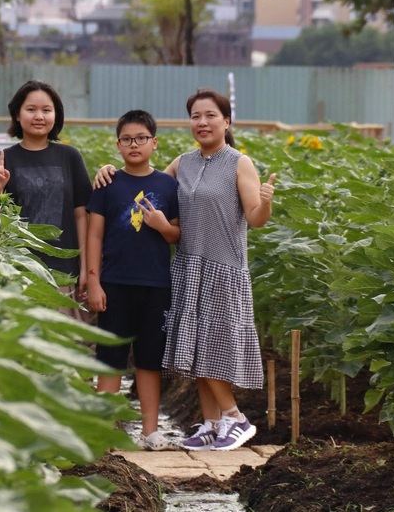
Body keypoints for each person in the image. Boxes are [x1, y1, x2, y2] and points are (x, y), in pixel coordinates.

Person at [95, 88, 276, 452]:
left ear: (226, 122)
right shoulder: (183, 163)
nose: (203, 122)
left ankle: (235, 418)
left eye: (211, 115)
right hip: (188, 266)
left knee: (211, 346)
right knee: (194, 348)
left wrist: (267, 204)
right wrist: (109, 169)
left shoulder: (239, 162)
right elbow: (147, 182)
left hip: (223, 266)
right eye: (196, 116)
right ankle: (211, 424)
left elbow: (255, 219)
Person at [85, 110, 180, 451]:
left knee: (149, 361)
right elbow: (94, 237)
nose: (134, 144)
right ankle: (102, 431)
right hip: (114, 284)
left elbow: (175, 234)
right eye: (127, 139)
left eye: (141, 138)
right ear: (118, 145)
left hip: (156, 285)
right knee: (110, 357)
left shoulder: (168, 186)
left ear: (155, 142)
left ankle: (151, 432)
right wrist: (94, 283)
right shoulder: (108, 184)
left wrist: (161, 226)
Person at [0, 80, 92, 304]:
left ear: (56, 115)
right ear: (17, 114)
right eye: (31, 109)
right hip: (19, 271)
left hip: (64, 271)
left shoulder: (70, 156)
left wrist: (85, 267)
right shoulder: (4, 159)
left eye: (47, 110)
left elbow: (81, 215)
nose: (39, 116)